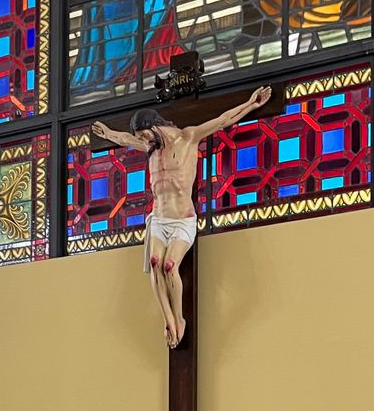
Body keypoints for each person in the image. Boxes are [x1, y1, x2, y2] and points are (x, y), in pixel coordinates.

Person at [90, 86, 272, 349]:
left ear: (154, 126)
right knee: (155, 262)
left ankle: (179, 318)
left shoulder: (189, 137)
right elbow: (124, 139)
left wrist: (251, 104)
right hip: (159, 218)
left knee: (168, 265)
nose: (143, 140)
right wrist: (108, 133)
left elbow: (223, 120)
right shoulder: (150, 147)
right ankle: (168, 321)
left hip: (182, 219)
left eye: (144, 134)